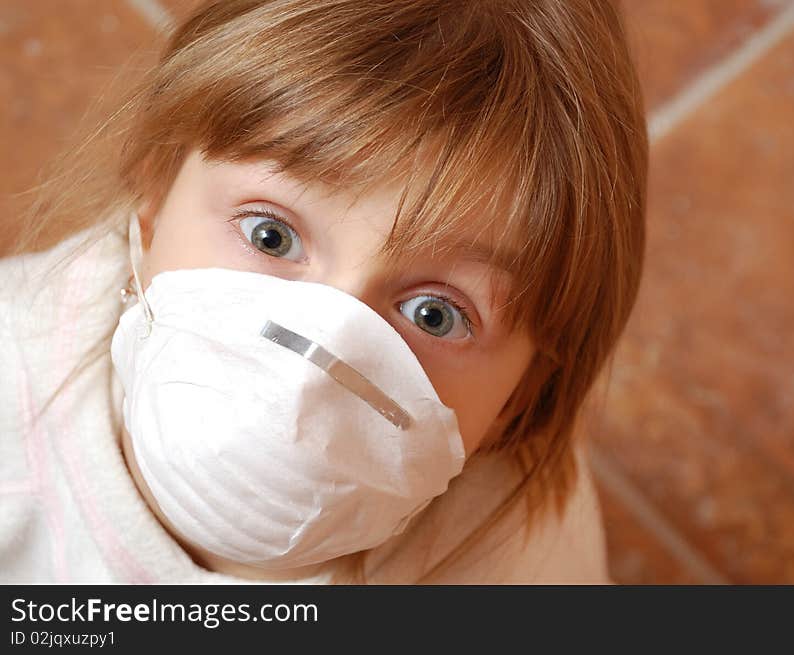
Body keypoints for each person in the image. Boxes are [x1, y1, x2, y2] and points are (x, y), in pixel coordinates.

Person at [0, 0, 647, 584]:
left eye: (434, 313)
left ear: (521, 401)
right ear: (155, 194)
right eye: (271, 235)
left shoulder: (519, 556)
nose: (318, 358)